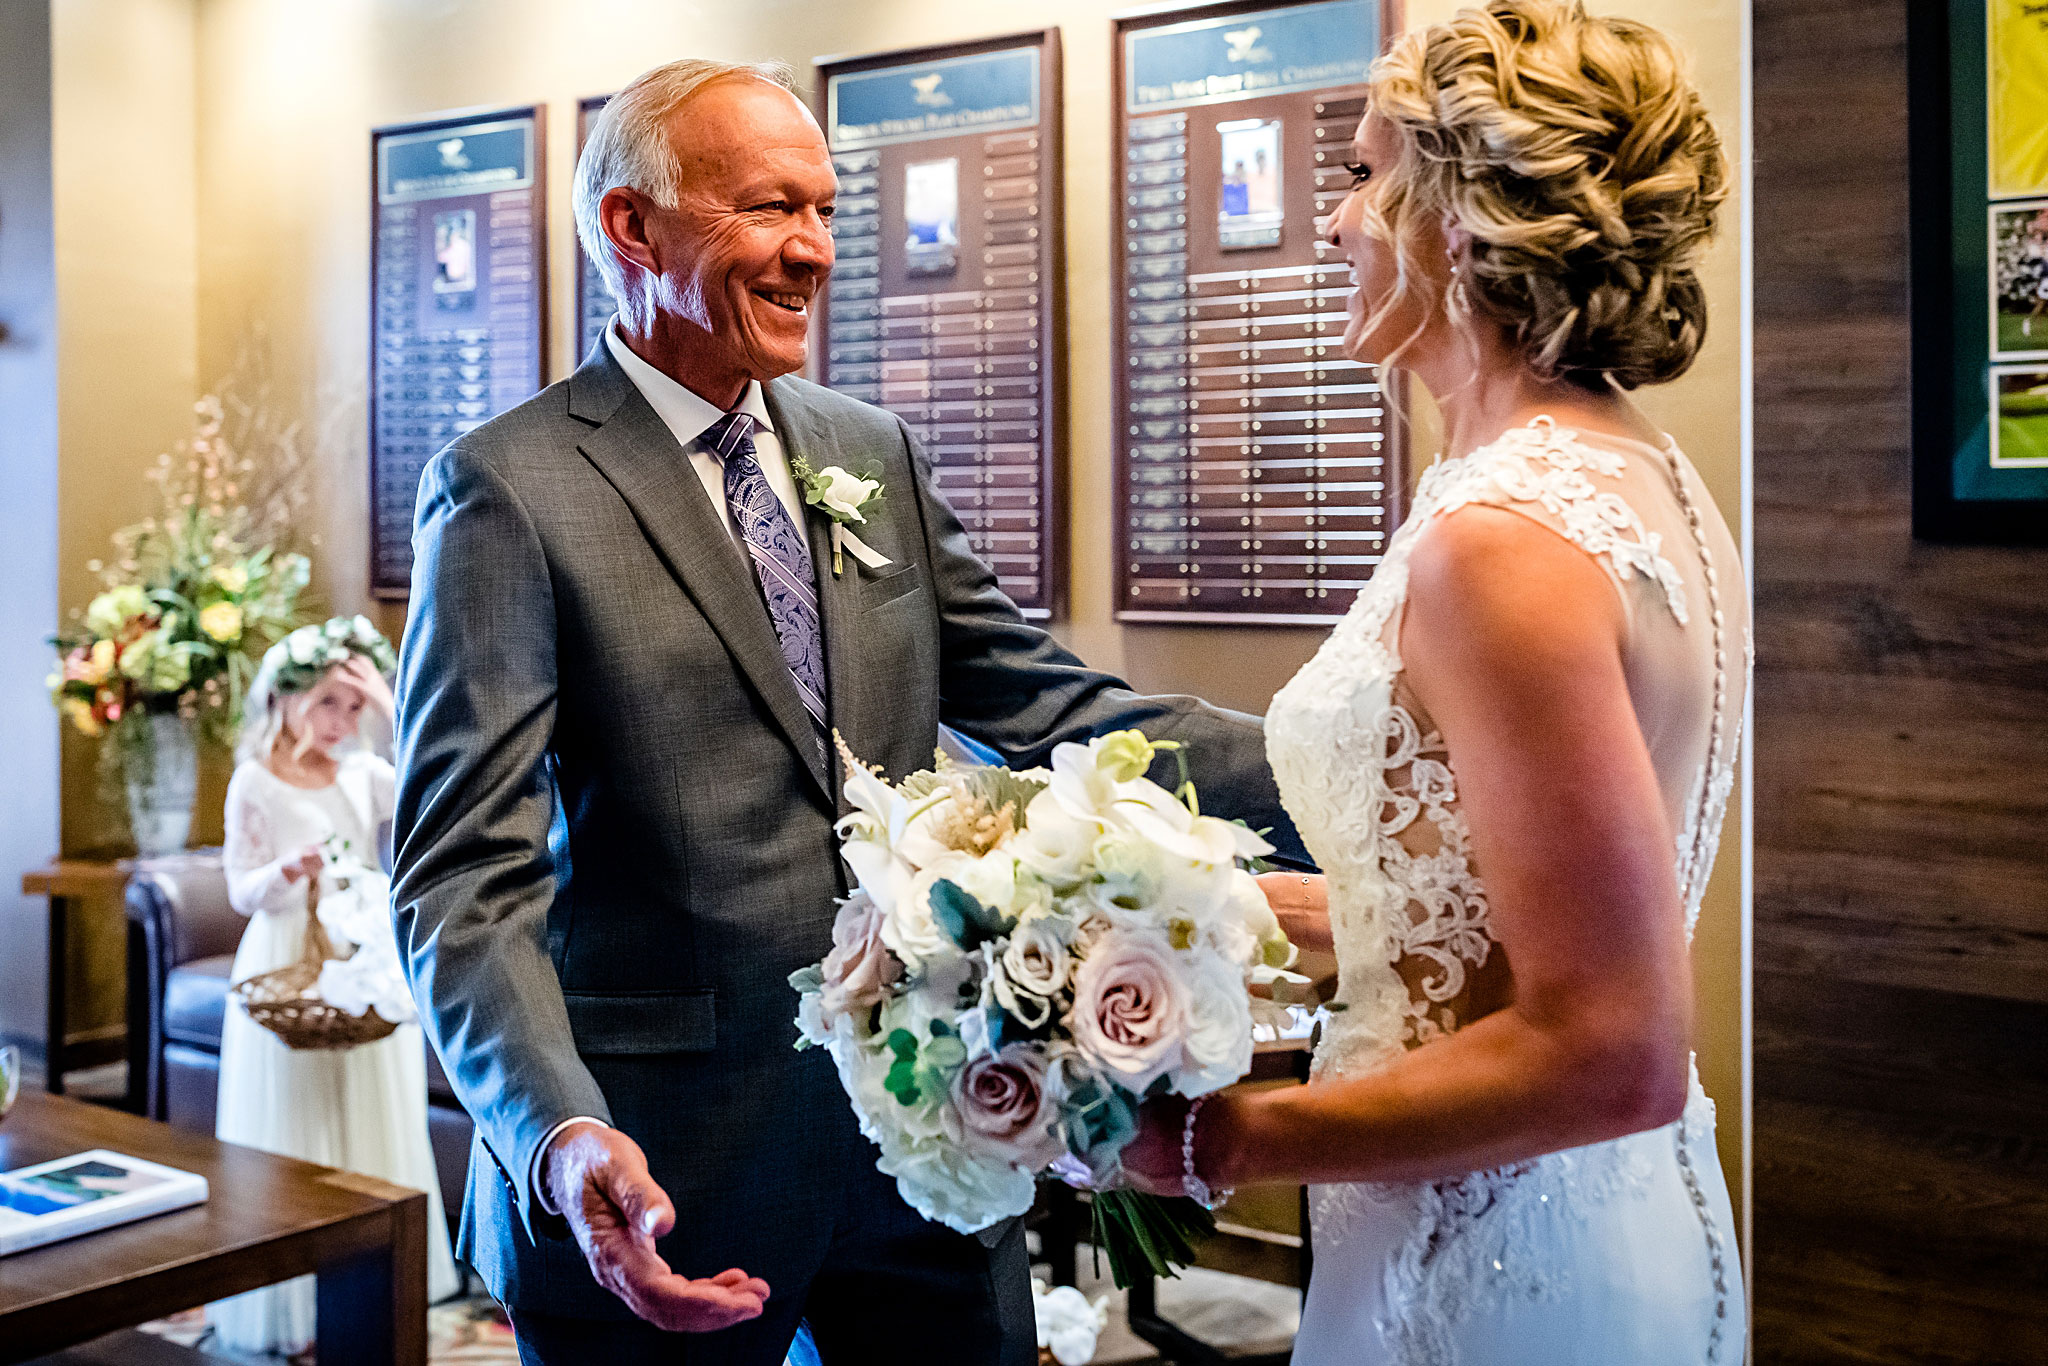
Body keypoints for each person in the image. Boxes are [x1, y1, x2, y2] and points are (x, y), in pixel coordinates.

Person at [390, 58, 1306, 1366]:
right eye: (771, 209)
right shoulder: (507, 488)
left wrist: (1352, 770)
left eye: (824, 210)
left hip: (917, 1148)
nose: (813, 250)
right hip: (657, 1168)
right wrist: (553, 1129)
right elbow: (458, 881)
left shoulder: (864, 447)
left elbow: (1058, 707)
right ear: (631, 228)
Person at [1121, 4, 1749, 1363]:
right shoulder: (1639, 478)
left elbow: (1608, 1045)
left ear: (1459, 217)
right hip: (1601, 1214)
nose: (1336, 224)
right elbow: (1488, 901)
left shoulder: (1501, 545)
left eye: (1360, 177)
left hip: (1491, 1266)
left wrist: (1220, 1138)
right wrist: (1213, 917)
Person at [211, 618, 461, 1356]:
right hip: (288, 954)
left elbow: (425, 784)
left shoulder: (364, 772)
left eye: (352, 710)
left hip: (363, 957)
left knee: (369, 1107)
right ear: (285, 700)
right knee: (294, 1117)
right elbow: (237, 889)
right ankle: (285, 1295)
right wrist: (284, 873)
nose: (341, 723)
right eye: (329, 704)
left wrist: (388, 707)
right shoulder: (255, 781)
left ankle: (375, 1286)